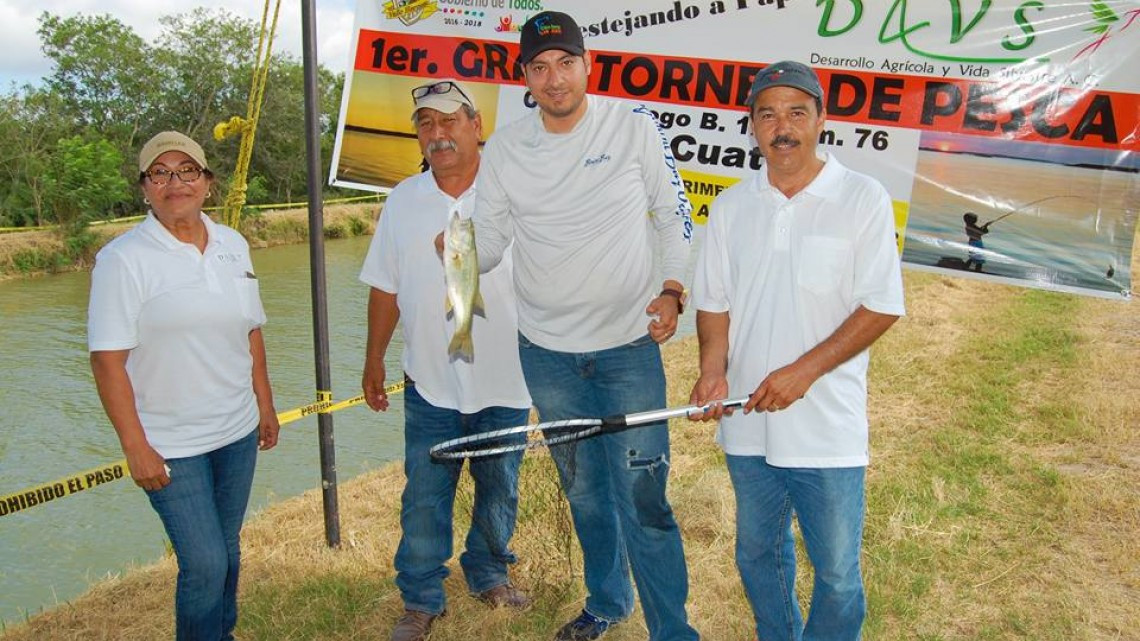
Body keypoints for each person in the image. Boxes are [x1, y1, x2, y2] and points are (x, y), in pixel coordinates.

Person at [469, 11, 697, 641]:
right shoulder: (505, 149)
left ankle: (672, 629)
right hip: (547, 356)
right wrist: (456, 249)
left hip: (629, 349)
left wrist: (673, 290)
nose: (555, 78)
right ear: (525, 76)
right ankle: (607, 602)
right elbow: (490, 242)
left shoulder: (633, 126)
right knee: (587, 494)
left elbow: (673, 214)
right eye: (539, 67)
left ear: (587, 65)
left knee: (644, 496)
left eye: (565, 63)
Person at [688, 61, 905, 641]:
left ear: (821, 120)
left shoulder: (862, 197)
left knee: (836, 573)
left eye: (796, 113)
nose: (781, 128)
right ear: (751, 126)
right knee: (758, 557)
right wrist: (712, 370)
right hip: (746, 420)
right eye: (767, 115)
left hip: (827, 423)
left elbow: (882, 304)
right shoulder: (732, 207)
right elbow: (713, 303)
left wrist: (803, 373)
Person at [360, 78, 534, 641]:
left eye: (450, 121)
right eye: (426, 124)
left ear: (476, 126)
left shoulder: (515, 189)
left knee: (499, 487)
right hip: (429, 382)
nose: (438, 134)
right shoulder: (402, 200)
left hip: (508, 379)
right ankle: (420, 598)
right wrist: (373, 360)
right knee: (423, 497)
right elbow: (384, 286)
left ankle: (488, 572)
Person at [88, 131, 279, 641]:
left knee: (228, 548)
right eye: (160, 173)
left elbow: (250, 330)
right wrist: (136, 447)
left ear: (207, 182)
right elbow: (107, 361)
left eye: (187, 170)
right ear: (145, 188)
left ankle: (223, 633)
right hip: (171, 443)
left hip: (236, 431)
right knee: (205, 563)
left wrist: (265, 404)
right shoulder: (122, 259)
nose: (175, 182)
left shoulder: (232, 244)